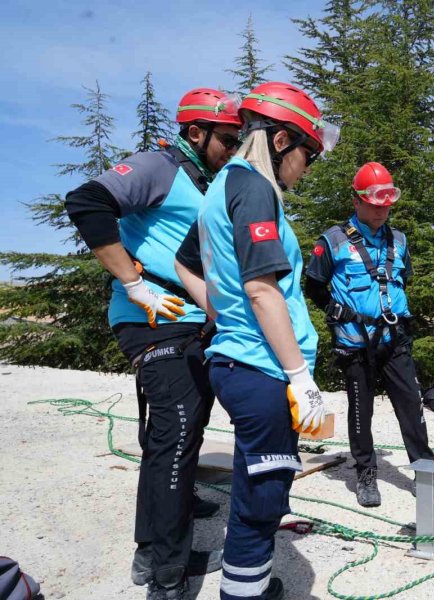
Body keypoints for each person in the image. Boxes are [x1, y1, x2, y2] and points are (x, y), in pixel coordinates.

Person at [64, 88, 242, 599]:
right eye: (228, 139)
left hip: (188, 320)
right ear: (196, 132)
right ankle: (168, 574)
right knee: (177, 435)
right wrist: (132, 282)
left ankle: (154, 543)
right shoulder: (159, 166)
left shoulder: (202, 180)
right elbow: (86, 200)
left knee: (175, 433)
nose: (233, 149)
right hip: (156, 318)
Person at [175, 81, 337, 600]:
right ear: (284, 141)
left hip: (246, 361)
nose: (307, 169)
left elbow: (185, 262)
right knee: (262, 498)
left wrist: (220, 311)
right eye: (308, 155)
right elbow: (263, 289)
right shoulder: (253, 187)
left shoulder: (223, 188)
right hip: (261, 369)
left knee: (260, 486)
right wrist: (300, 377)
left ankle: (248, 588)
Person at [304, 162, 434, 507]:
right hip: (355, 342)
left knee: (411, 408)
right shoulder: (332, 241)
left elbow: (401, 281)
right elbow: (314, 284)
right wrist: (336, 311)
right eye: (374, 203)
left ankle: (429, 479)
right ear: (356, 200)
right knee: (361, 411)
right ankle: (365, 475)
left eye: (387, 203)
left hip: (394, 340)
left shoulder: (400, 240)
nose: (381, 210)